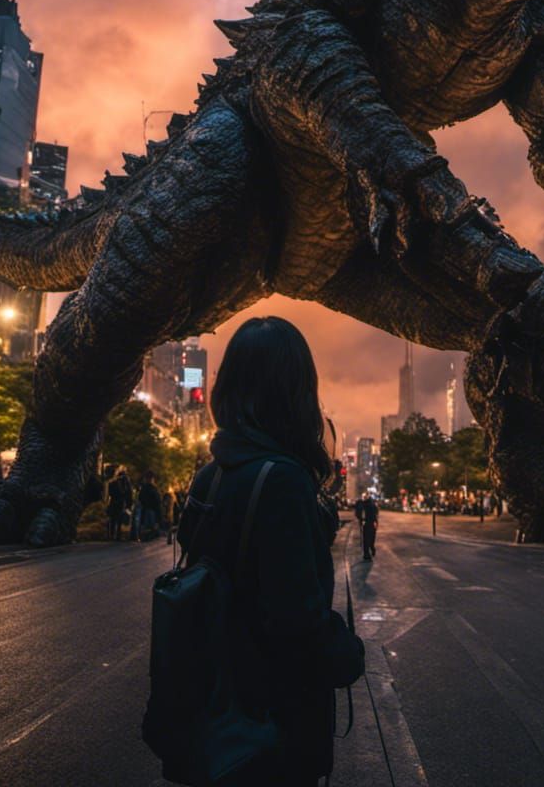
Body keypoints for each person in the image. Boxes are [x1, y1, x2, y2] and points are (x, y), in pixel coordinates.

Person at [177, 316, 365, 785]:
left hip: (218, 710)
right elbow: (297, 624)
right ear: (296, 393)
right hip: (272, 724)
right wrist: (348, 653)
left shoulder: (211, 475)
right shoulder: (282, 481)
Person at [134, 471, 162, 541]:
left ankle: (147, 535)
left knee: (147, 523)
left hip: (148, 508)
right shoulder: (151, 488)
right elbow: (157, 500)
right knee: (148, 523)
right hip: (148, 508)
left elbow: (141, 498)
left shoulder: (148, 488)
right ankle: (147, 536)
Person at [106, 469, 133, 541]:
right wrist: (129, 505)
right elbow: (129, 494)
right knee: (118, 520)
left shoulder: (112, 483)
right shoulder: (126, 483)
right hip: (120, 503)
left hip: (114, 502)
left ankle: (112, 535)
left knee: (114, 519)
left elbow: (110, 494)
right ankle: (117, 535)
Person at [354, 492, 379, 561]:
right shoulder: (369, 504)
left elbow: (359, 514)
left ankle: (368, 552)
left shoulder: (364, 504)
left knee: (367, 539)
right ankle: (368, 552)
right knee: (369, 538)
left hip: (367, 523)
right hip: (369, 523)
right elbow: (375, 514)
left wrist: (361, 521)